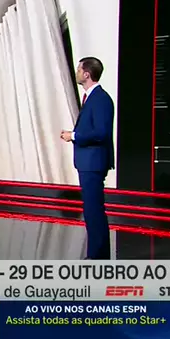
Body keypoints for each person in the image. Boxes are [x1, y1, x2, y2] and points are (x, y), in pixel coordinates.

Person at [60, 57, 115, 260]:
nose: (76, 72)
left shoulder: (100, 99)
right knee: (91, 211)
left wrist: (74, 136)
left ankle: (98, 258)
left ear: (86, 74)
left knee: (94, 211)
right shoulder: (91, 98)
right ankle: (96, 256)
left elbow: (101, 132)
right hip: (88, 162)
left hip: (93, 163)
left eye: (79, 69)